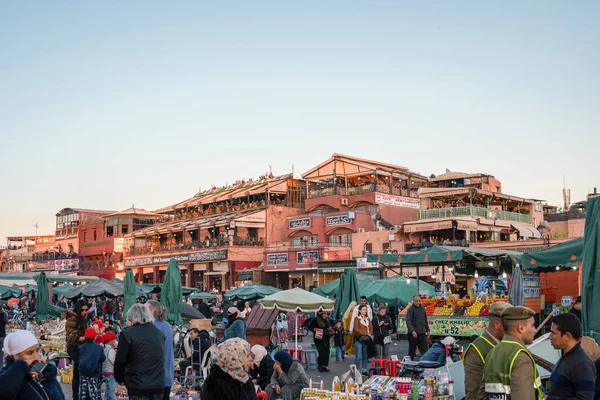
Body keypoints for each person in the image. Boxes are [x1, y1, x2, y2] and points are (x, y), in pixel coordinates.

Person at [484, 306, 543, 400]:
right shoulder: (521, 357)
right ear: (521, 328)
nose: (534, 330)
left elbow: (482, 394)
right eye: (532, 325)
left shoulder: (492, 352)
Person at [114, 303, 166, 400]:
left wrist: (120, 379)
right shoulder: (159, 333)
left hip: (137, 384)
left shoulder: (127, 334)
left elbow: (120, 361)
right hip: (158, 383)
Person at [463, 302, 512, 400]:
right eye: (510, 325)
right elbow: (473, 393)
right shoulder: (477, 350)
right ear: (497, 324)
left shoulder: (506, 344)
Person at [0, 329, 65, 400]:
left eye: (37, 350)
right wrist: (21, 367)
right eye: (30, 353)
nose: (37, 356)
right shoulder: (6, 377)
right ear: (16, 356)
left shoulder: (45, 373)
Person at [547, 313, 596, 399]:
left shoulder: (582, 364)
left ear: (567, 336)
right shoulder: (566, 357)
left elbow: (585, 398)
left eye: (553, 333)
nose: (549, 337)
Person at [145, 300, 174, 400]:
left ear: (151, 311)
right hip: (167, 375)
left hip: (154, 377)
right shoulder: (167, 326)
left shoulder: (151, 327)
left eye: (144, 309)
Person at [66, 299, 89, 400]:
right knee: (77, 371)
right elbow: (70, 337)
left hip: (82, 347)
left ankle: (83, 394)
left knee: (81, 371)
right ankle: (75, 396)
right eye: (83, 310)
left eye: (86, 309)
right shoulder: (72, 320)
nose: (85, 312)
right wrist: (84, 338)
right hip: (73, 348)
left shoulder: (83, 318)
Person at [79, 328, 106, 400]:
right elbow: (103, 358)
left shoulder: (81, 347)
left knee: (82, 391)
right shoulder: (99, 348)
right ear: (94, 337)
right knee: (94, 392)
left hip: (83, 372)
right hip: (94, 372)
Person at [406, 295, 430, 360]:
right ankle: (409, 365)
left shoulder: (422, 308)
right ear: (413, 301)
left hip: (422, 333)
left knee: (425, 350)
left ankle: (426, 364)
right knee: (411, 351)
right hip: (413, 334)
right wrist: (412, 331)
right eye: (416, 301)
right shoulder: (410, 309)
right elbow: (408, 321)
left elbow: (425, 320)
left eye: (419, 301)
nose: (418, 302)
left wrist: (428, 330)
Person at [352, 304, 373, 375]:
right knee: (358, 356)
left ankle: (364, 369)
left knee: (365, 355)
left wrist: (368, 333)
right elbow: (356, 329)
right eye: (363, 310)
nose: (364, 311)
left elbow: (371, 328)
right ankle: (357, 370)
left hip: (366, 339)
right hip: (359, 339)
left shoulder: (368, 319)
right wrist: (366, 333)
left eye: (365, 309)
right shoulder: (357, 319)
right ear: (359, 310)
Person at [102, 332, 118, 400]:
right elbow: (114, 362)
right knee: (112, 389)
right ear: (110, 341)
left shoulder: (103, 347)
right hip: (110, 371)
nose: (115, 341)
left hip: (104, 370)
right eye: (114, 340)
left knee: (107, 388)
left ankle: (106, 398)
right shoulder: (110, 350)